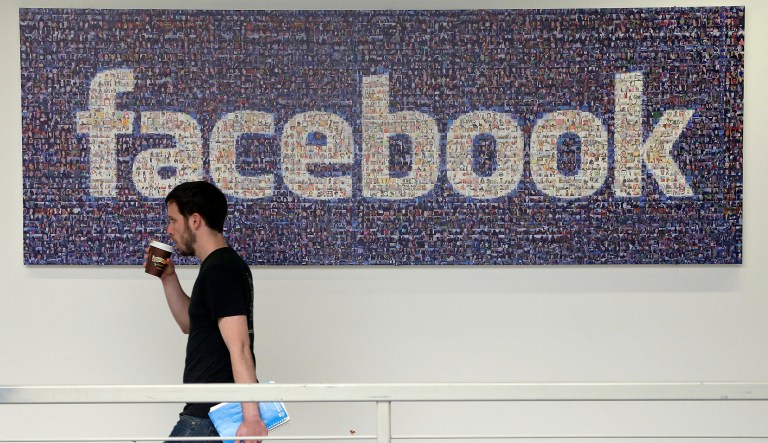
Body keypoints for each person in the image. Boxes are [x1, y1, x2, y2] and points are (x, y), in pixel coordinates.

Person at [147, 180, 267, 443]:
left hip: (210, 416)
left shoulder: (221, 269)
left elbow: (240, 346)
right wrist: (168, 278)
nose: (169, 230)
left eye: (173, 220)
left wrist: (252, 418)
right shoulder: (218, 267)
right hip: (207, 414)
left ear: (195, 221)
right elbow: (190, 324)